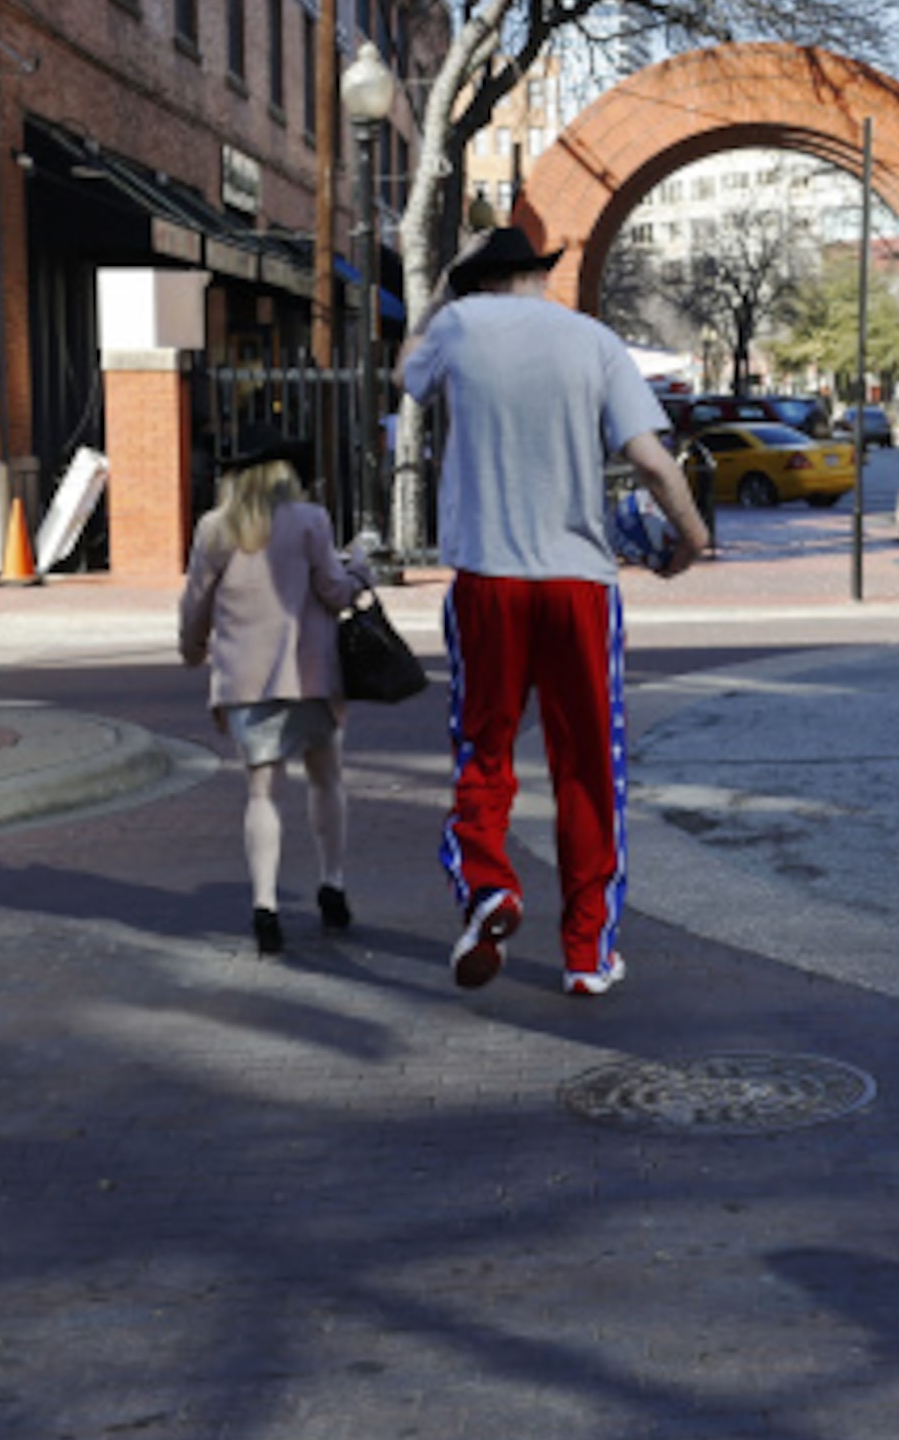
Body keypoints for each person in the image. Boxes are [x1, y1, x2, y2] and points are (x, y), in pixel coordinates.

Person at [398, 226, 712, 996]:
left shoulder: (455, 327)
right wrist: (692, 536)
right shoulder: (594, 341)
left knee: (484, 748)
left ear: (474, 280)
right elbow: (648, 457)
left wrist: (440, 289)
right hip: (578, 582)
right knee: (589, 768)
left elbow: (406, 373)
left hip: (486, 580)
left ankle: (489, 886)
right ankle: (586, 953)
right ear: (539, 274)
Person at [176, 431, 369, 955]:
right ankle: (332, 883)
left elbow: (195, 602)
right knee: (326, 780)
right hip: (310, 675)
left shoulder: (215, 529)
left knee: (262, 793)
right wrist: (359, 573)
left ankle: (265, 904)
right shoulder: (311, 522)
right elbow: (334, 592)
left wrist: (192, 650)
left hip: (246, 681)